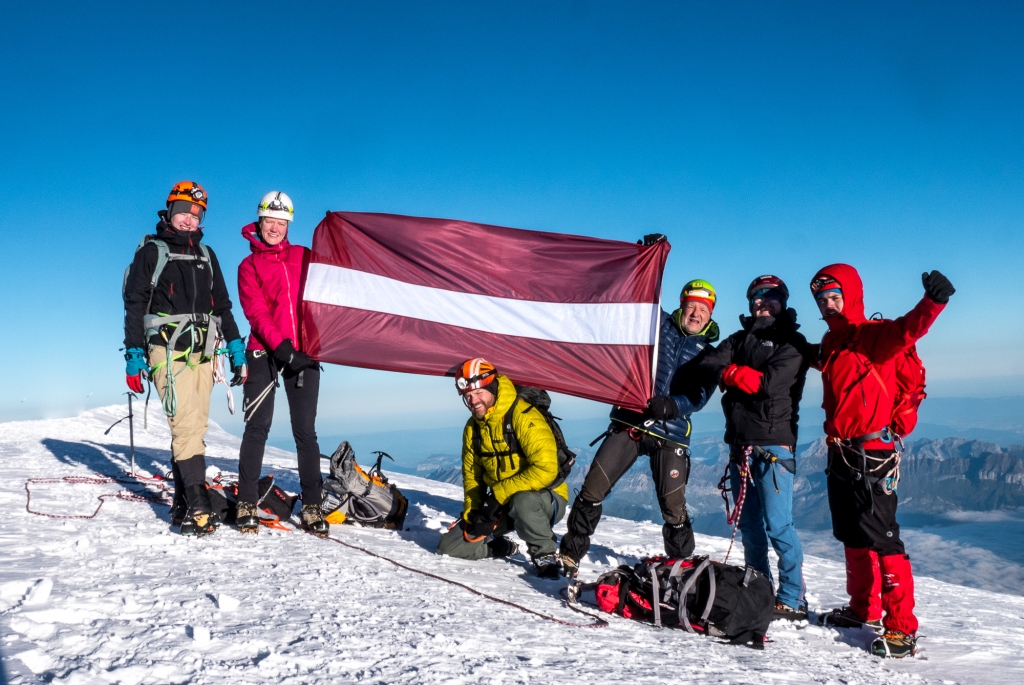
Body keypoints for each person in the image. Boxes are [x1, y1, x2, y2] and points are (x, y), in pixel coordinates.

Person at [809, 264, 955, 658]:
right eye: (822, 299)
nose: (828, 304)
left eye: (835, 296)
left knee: (882, 537)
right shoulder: (831, 343)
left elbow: (909, 329)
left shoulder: (872, 337)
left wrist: (933, 302)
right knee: (852, 535)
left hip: (873, 454)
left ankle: (902, 628)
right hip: (840, 451)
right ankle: (863, 611)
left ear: (852, 295)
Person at [559, 273, 720, 578]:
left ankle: (682, 572)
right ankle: (569, 555)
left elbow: (698, 397)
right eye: (692, 306)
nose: (696, 313)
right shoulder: (659, 326)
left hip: (670, 433)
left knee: (674, 509)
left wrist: (672, 406)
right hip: (630, 421)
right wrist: (644, 264)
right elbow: (640, 296)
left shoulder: (711, 354)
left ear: (711, 315)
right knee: (592, 489)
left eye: (704, 309)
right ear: (681, 306)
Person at [123, 181, 247, 537]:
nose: (189, 220)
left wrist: (236, 347)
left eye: (197, 215)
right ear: (169, 211)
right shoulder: (153, 251)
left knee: (196, 427)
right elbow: (135, 303)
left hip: (205, 352)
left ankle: (180, 505)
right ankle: (199, 504)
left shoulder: (207, 255)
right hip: (167, 349)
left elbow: (222, 306)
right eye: (183, 212)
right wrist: (134, 353)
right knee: (185, 426)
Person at [698, 275, 809, 621]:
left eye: (771, 296)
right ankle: (759, 589)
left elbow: (767, 384)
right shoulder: (740, 338)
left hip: (773, 447)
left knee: (779, 526)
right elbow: (710, 363)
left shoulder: (793, 343)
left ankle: (793, 598)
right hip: (740, 447)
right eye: (757, 297)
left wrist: (731, 375)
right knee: (749, 526)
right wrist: (734, 372)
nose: (763, 302)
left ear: (783, 301)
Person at [235, 191, 327, 537]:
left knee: (305, 431)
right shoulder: (249, 266)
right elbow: (256, 312)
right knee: (257, 428)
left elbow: (332, 287)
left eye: (280, 222)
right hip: (264, 353)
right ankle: (246, 501)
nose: (274, 228)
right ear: (259, 223)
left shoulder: (304, 257)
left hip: (305, 353)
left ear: (289, 224)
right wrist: (282, 348)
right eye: (268, 221)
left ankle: (313, 505)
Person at [437, 359, 569, 578]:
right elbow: (473, 476)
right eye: (468, 396)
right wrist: (474, 512)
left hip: (545, 499)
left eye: (478, 393)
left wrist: (498, 495)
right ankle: (501, 547)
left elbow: (546, 469)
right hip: (501, 503)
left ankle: (545, 555)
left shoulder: (523, 415)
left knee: (523, 501)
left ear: (492, 388)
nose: (473, 401)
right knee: (449, 548)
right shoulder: (473, 428)